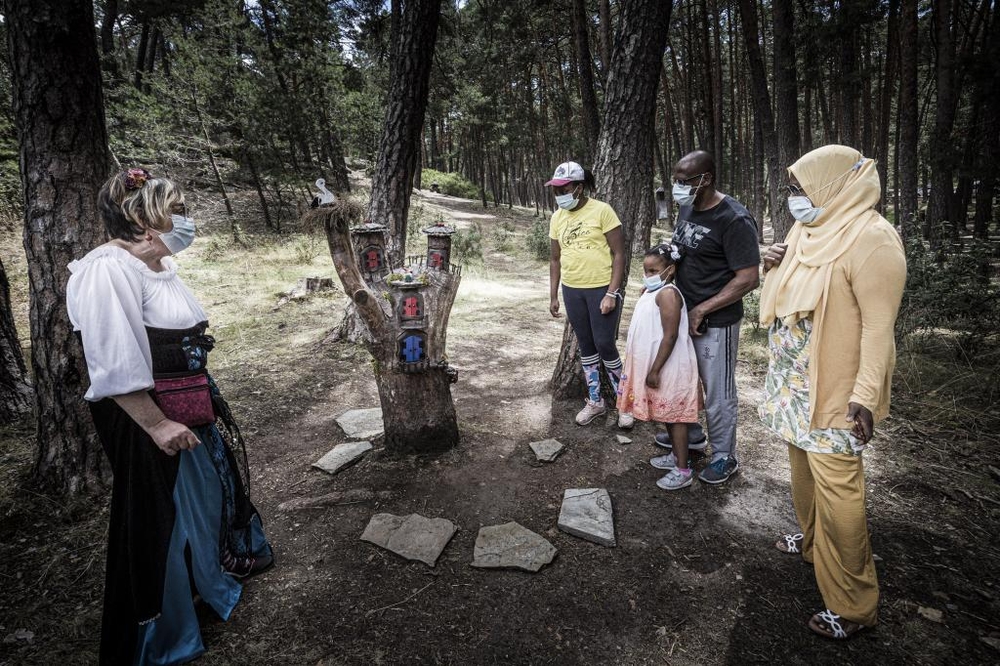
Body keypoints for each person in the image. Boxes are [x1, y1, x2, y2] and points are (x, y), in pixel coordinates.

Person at [67, 168, 273, 664]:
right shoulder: (106, 270)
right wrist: (157, 422)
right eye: (176, 210)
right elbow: (113, 356)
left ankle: (204, 581)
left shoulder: (159, 268)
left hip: (187, 406)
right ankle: (162, 630)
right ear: (146, 219)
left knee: (200, 499)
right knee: (157, 515)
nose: (186, 220)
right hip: (146, 417)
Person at [758, 145, 906, 639]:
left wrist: (865, 393)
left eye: (801, 189)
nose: (794, 199)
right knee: (801, 473)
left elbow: (878, 329)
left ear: (833, 186)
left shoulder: (872, 239)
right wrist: (773, 263)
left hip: (836, 391)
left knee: (840, 491)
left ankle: (854, 605)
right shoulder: (810, 229)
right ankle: (811, 542)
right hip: (793, 386)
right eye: (792, 190)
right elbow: (786, 295)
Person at [665, 150, 760, 484]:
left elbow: (748, 278)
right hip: (680, 314)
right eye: (674, 179)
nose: (676, 187)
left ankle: (724, 456)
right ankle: (690, 438)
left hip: (716, 322)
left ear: (705, 179)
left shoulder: (733, 218)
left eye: (682, 181)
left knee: (717, 392)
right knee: (682, 381)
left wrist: (703, 309)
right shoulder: (687, 207)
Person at [547, 161, 627, 425]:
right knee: (586, 346)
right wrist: (554, 295)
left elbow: (619, 254)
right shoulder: (557, 217)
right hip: (573, 290)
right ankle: (596, 401)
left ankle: (625, 402)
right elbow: (555, 259)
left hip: (601, 288)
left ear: (579, 188)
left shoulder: (602, 211)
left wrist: (612, 293)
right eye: (556, 190)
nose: (559, 194)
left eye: (564, 188)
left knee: (605, 343)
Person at [616, 243, 703, 490]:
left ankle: (683, 470)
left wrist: (654, 370)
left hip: (669, 366)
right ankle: (675, 457)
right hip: (657, 364)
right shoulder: (653, 291)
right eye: (645, 270)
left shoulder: (668, 294)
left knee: (676, 418)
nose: (648, 275)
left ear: (671, 270)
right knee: (667, 414)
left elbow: (670, 336)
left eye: (654, 270)